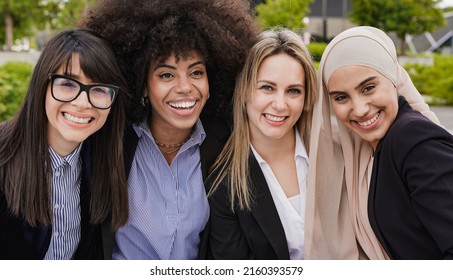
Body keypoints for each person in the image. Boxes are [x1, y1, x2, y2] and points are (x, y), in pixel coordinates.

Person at [79, 0, 259, 259]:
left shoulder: (227, 144)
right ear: (142, 84)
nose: (185, 87)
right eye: (166, 75)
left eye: (196, 72)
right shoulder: (109, 141)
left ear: (212, 81)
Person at [305, 26, 452, 260]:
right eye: (341, 97)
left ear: (393, 78)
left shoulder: (413, 140)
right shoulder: (374, 149)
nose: (360, 109)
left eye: (368, 88)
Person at [0, 29, 129, 259]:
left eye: (99, 89)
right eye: (68, 84)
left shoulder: (102, 161)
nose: (82, 103)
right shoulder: (4, 155)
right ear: (43, 85)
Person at [206, 29, 317, 260]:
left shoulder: (332, 153)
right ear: (244, 90)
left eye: (293, 91)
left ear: (307, 98)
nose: (280, 104)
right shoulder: (224, 185)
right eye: (267, 87)